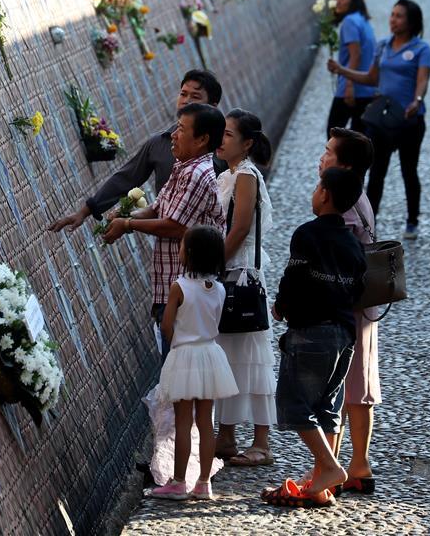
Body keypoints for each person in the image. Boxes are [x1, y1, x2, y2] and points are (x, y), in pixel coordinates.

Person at [262, 168, 367, 508]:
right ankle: (321, 480)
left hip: (310, 333)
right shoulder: (352, 243)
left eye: (316, 186)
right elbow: (360, 289)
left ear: (323, 194)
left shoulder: (307, 234)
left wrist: (281, 305)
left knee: (293, 404)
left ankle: (331, 467)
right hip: (344, 335)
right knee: (325, 407)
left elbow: (295, 277)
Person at [100, 103, 225, 358]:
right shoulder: (183, 166)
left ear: (202, 139)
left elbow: (174, 225)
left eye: (180, 129)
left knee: (179, 374)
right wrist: (125, 215)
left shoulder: (198, 174)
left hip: (186, 294)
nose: (173, 135)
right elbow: (159, 208)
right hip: (169, 285)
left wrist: (127, 224)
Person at [48, 69, 223, 232]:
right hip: (168, 250)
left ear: (213, 107)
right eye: (183, 94)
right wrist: (84, 212)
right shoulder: (160, 143)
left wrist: (127, 223)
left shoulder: (221, 156)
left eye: (195, 97)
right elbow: (126, 178)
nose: (187, 101)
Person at [328, 0, 430, 240]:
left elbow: (422, 79)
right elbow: (371, 78)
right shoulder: (383, 46)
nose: (393, 19)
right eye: (392, 14)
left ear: (411, 22)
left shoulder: (422, 49)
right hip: (381, 121)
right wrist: (342, 70)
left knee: (409, 170)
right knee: (376, 173)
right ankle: (369, 222)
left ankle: (412, 221)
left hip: (410, 120)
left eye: (399, 16)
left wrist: (417, 100)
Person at [147, 226, 239, 501]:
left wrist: (178, 344)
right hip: (210, 355)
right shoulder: (220, 289)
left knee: (184, 422)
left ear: (190, 253)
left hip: (185, 354)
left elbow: (166, 324)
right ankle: (203, 482)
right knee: (206, 422)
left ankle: (177, 482)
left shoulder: (179, 286)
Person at [212, 109, 277, 466]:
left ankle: (262, 441)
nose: (220, 139)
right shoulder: (230, 174)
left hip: (240, 276)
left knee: (252, 357)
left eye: (228, 135)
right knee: (229, 355)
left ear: (247, 143)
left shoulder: (246, 176)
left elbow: (238, 231)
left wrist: (212, 266)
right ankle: (226, 435)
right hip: (231, 274)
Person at [319, 128, 379, 495]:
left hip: (345, 309)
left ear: (346, 165)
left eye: (328, 153)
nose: (321, 158)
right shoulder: (362, 197)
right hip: (365, 307)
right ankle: (359, 464)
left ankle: (331, 469)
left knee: (335, 388)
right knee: (360, 388)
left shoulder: (345, 207)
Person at [326, 0, 377, 138]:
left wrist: (349, 86)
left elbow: (356, 55)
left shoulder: (349, 22)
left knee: (333, 136)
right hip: (367, 89)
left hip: (351, 89)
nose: (338, 2)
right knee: (359, 139)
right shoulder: (363, 20)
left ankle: (337, 164)